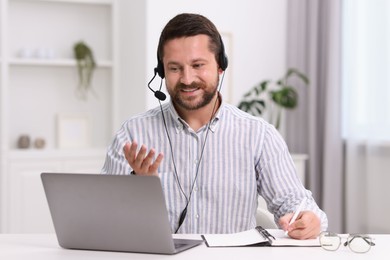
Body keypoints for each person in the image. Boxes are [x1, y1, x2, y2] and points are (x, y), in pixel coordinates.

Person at [102, 13, 328, 239]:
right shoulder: (133, 134)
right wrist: (137, 189)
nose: (187, 78)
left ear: (221, 66)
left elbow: (295, 203)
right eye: (174, 68)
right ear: (161, 72)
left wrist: (308, 219)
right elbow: (103, 218)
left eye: (198, 65)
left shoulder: (258, 135)